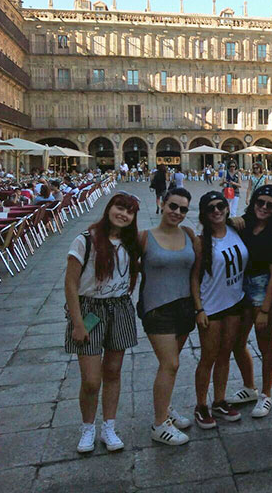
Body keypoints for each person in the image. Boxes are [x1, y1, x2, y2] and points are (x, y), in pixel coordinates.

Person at [64, 192, 142, 453]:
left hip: (119, 308)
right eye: (120, 208)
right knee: (91, 380)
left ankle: (109, 426)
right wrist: (77, 323)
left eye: (129, 212)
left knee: (113, 372)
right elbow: (70, 283)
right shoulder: (85, 240)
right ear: (109, 208)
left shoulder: (130, 243)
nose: (123, 214)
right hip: (90, 309)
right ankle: (88, 428)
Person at [139, 187, 198, 445]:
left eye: (183, 209)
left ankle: (165, 409)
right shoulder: (145, 237)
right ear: (162, 204)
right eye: (173, 206)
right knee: (170, 363)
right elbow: (128, 269)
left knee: (172, 365)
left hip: (184, 307)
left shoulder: (188, 234)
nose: (177, 212)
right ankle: (159, 424)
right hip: (157, 308)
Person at [192, 191, 248, 429]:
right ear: (204, 214)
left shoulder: (236, 229)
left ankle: (219, 400)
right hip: (211, 306)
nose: (216, 210)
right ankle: (201, 405)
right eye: (210, 208)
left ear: (227, 208)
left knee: (225, 353)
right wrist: (199, 309)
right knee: (208, 356)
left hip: (235, 303)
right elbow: (194, 278)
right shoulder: (201, 241)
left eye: (220, 206)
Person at [227, 185, 272, 418]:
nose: (264, 208)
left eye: (270, 205)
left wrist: (265, 309)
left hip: (262, 291)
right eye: (260, 203)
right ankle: (250, 387)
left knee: (265, 343)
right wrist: (231, 220)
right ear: (253, 203)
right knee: (237, 342)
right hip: (240, 288)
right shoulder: (242, 226)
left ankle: (267, 394)